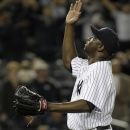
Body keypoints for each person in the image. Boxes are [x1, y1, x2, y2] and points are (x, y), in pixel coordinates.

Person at [14, 0, 119, 130]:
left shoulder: (100, 70)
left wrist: (47, 106)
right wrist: (69, 25)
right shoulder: (90, 66)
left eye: (94, 38)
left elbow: (86, 105)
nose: (89, 39)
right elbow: (69, 61)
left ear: (101, 47)